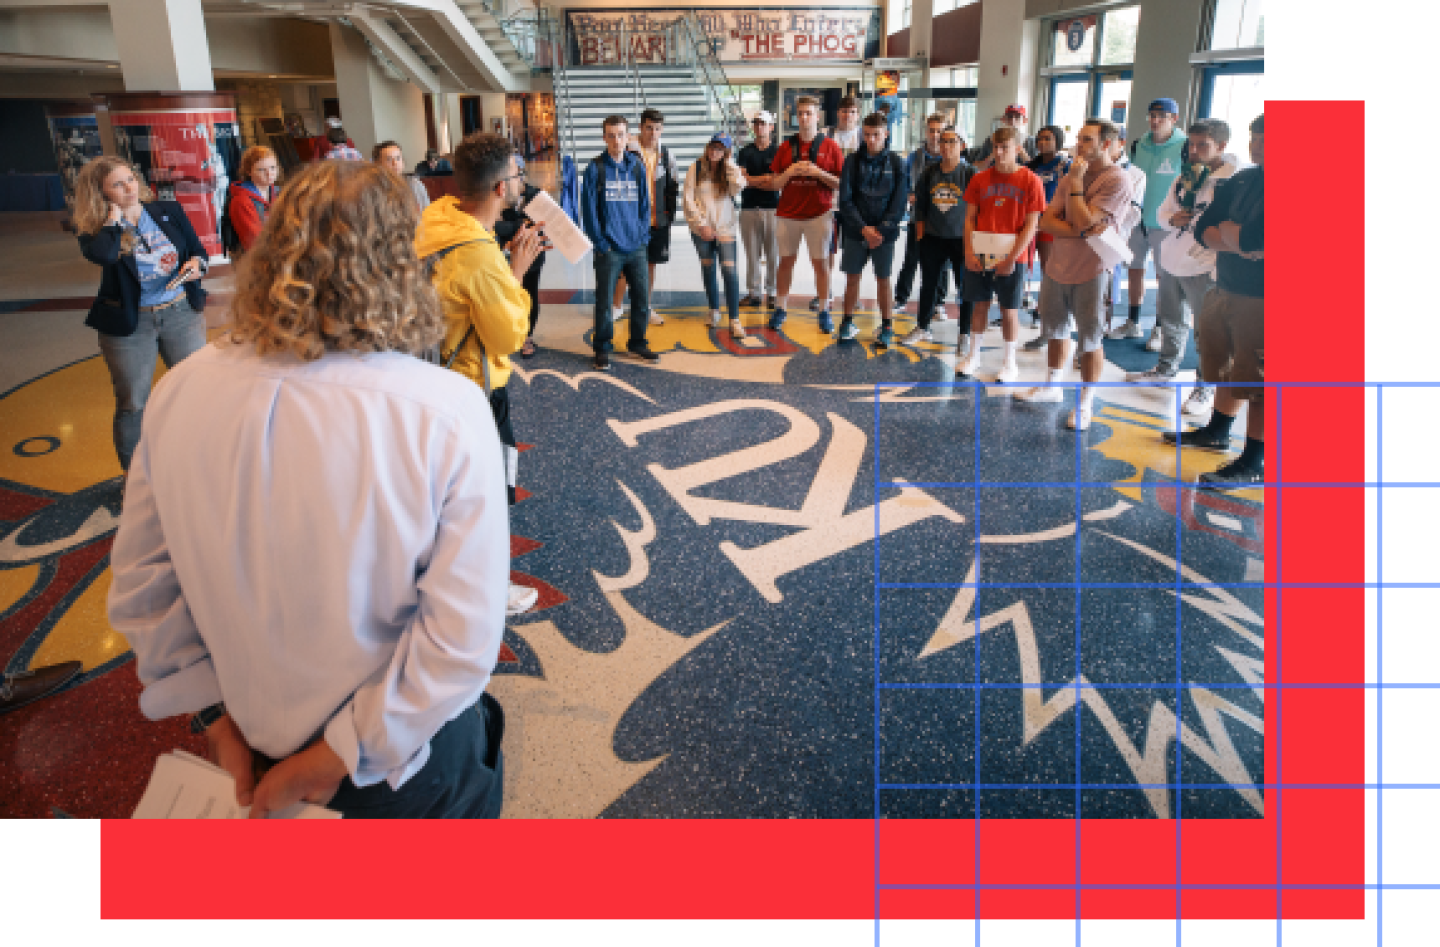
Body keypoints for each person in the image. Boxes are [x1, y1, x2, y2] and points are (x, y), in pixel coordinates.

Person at [109, 160, 510, 819]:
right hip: (400, 764)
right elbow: (459, 641)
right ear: (398, 263)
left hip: (253, 735)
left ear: (272, 249)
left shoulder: (181, 389)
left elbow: (142, 586)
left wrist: (214, 716)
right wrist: (334, 756)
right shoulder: (443, 409)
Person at [416, 133, 547, 617]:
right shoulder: (479, 256)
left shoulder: (437, 219)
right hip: (475, 393)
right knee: (487, 497)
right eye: (516, 175)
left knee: (445, 497)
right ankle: (489, 587)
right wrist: (515, 272)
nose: (520, 183)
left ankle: (443, 575)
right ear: (498, 189)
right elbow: (509, 338)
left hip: (432, 380)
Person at [74, 156, 209, 476]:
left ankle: (201, 465)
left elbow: (197, 251)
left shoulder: (169, 211)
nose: (129, 188)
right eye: (117, 185)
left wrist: (196, 267)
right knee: (133, 402)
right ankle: (136, 479)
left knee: (198, 391)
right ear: (101, 193)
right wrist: (114, 219)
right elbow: (105, 256)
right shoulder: (94, 231)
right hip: (131, 325)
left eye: (130, 179)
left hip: (180, 313)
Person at [1162, 113, 1265, 487]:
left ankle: (1254, 459)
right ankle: (1217, 431)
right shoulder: (1241, 180)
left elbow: (1261, 240)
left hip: (1263, 297)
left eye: (1265, 138)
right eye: (1254, 136)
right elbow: (1206, 230)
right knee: (1220, 362)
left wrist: (1236, 238)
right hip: (1225, 286)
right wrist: (1236, 239)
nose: (1256, 144)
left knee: (1258, 380)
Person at [1015, 119, 1134, 432]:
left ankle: (1085, 402)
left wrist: (1077, 187)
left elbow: (1084, 221)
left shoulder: (1117, 180)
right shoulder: (1070, 175)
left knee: (1090, 337)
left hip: (1093, 269)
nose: (1079, 145)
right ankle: (1052, 385)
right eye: (1079, 138)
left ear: (1106, 144)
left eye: (1087, 140)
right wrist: (1078, 228)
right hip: (1058, 264)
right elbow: (1047, 221)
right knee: (1055, 328)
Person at [1128, 118, 1239, 413]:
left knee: (1207, 331)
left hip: (1204, 265)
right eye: (1191, 143)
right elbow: (1162, 212)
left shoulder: (1231, 180)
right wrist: (1171, 220)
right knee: (1171, 320)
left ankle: (1205, 387)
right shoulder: (1186, 176)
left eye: (1203, 145)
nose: (1194, 150)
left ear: (1222, 146)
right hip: (1172, 260)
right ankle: (1166, 370)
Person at [954, 126, 1045, 382]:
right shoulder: (980, 179)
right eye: (995, 147)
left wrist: (1014, 257)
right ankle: (973, 355)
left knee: (1009, 309)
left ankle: (1009, 361)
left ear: (1018, 149)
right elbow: (970, 218)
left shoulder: (1030, 180)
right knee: (979, 304)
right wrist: (969, 251)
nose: (999, 152)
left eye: (1005, 147)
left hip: (1012, 254)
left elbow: (1031, 224)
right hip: (982, 250)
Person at [581, 115, 660, 370]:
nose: (617, 140)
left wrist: (643, 236)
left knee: (641, 298)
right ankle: (602, 346)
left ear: (628, 137)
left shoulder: (637, 166)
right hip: (610, 248)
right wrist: (600, 243)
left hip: (636, 245)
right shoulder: (596, 168)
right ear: (604, 137)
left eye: (621, 134)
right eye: (611, 135)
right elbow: (589, 210)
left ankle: (637, 342)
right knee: (604, 301)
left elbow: (645, 205)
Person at [1109, 98, 1187, 342]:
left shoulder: (1183, 146)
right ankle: (1133, 321)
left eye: (1161, 116)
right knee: (1134, 271)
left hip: (1165, 223)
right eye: (1151, 116)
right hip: (1137, 221)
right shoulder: (1138, 145)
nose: (1155, 121)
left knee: (1163, 278)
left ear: (1174, 119)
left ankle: (1160, 328)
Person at [768, 95, 844, 334]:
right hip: (788, 214)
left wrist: (818, 172)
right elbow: (775, 184)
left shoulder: (830, 146)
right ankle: (780, 308)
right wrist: (790, 171)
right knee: (785, 262)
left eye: (808, 113)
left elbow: (841, 183)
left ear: (817, 116)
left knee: (820, 264)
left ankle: (824, 310)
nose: (803, 117)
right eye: (800, 113)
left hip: (818, 214)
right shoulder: (785, 146)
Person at [834, 111, 907, 345]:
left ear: (886, 134)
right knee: (852, 277)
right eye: (867, 135)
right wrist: (864, 228)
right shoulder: (852, 162)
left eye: (876, 135)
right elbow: (845, 200)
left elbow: (899, 202)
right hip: (857, 230)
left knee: (883, 278)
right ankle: (847, 321)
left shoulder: (897, 163)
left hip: (884, 234)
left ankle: (886, 326)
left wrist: (881, 230)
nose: (871, 139)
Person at [906, 127, 974, 350]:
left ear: (961, 145)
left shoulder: (970, 173)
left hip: (961, 239)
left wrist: (973, 241)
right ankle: (923, 327)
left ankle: (965, 333)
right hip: (933, 237)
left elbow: (977, 209)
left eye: (951, 142)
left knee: (965, 288)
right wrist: (920, 236)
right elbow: (921, 207)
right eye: (943, 142)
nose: (945, 146)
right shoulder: (929, 172)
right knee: (928, 285)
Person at [612, 108, 679, 327]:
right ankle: (616, 306)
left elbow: (672, 187)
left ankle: (645, 307)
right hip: (631, 221)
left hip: (656, 221)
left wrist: (668, 216)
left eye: (657, 128)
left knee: (650, 266)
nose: (653, 132)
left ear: (662, 130)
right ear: (640, 127)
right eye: (649, 127)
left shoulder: (667, 154)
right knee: (624, 264)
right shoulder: (628, 151)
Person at [684, 132, 747, 337]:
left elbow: (738, 187)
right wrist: (701, 225)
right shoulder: (697, 167)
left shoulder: (730, 169)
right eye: (713, 147)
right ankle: (713, 310)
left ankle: (734, 319)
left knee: (730, 272)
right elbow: (688, 199)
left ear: (726, 151)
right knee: (708, 268)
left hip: (725, 228)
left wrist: (728, 163)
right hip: (701, 229)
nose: (714, 151)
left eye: (720, 149)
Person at [892, 114, 951, 311]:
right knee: (911, 259)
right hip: (917, 217)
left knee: (941, 264)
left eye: (939, 131)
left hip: (942, 220)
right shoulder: (914, 157)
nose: (935, 135)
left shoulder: (951, 158)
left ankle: (939, 302)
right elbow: (905, 184)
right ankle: (901, 297)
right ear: (926, 132)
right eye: (932, 130)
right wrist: (909, 194)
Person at [493, 153, 548, 358]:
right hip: (507, 253)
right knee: (510, 293)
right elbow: (496, 226)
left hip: (533, 254)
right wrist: (520, 226)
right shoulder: (502, 196)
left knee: (530, 293)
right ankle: (511, 330)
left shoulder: (537, 196)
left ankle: (527, 335)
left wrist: (517, 228)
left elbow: (541, 227)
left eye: (518, 174)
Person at [1022, 125, 1071, 348]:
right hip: (1031, 224)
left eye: (1048, 139)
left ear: (1058, 141)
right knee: (1030, 273)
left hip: (1052, 226)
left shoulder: (1065, 166)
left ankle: (1052, 330)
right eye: (1040, 139)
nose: (1042, 143)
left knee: (1050, 276)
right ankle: (1042, 324)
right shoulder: (1030, 166)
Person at [815, 95, 862, 314]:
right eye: (844, 111)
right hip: (830, 203)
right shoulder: (825, 135)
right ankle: (825, 292)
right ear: (838, 113)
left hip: (855, 204)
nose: (847, 115)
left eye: (852, 111)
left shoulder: (864, 136)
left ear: (857, 114)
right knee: (827, 250)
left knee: (854, 251)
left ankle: (853, 294)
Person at [737, 111, 780, 310]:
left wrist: (753, 181)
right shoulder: (745, 152)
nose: (759, 127)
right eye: (756, 124)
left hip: (773, 209)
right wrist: (764, 179)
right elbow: (742, 181)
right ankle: (754, 293)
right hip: (748, 208)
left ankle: (772, 293)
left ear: (771, 127)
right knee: (752, 254)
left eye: (763, 124)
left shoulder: (778, 152)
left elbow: (777, 182)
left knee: (773, 253)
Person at [224, 145, 280, 254]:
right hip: (254, 262)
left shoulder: (280, 193)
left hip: (280, 256)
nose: (269, 174)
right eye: (261, 170)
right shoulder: (241, 201)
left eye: (273, 167)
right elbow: (255, 243)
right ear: (249, 172)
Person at [966, 104, 1038, 170]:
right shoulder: (990, 140)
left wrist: (1020, 151)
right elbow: (976, 167)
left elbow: (1036, 170)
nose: (1013, 121)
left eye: (1017, 117)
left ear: (1024, 121)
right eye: (1009, 117)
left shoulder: (1032, 142)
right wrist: (993, 154)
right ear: (1003, 119)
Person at [372, 140, 431, 211]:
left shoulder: (414, 184)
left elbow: (428, 212)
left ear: (403, 162)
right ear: (377, 164)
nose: (395, 163)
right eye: (389, 159)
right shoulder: (373, 189)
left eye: (398, 158)